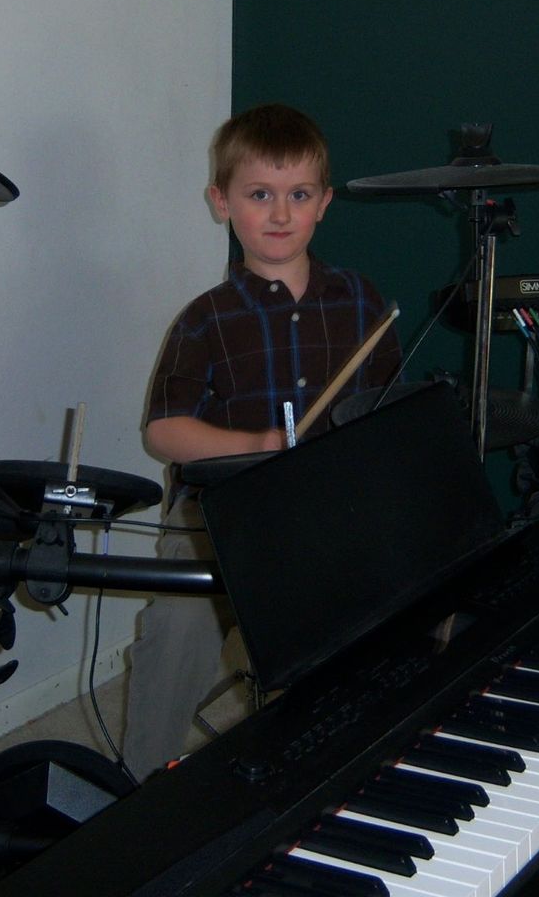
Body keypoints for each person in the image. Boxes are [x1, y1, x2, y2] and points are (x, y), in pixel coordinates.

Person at [121, 103, 402, 780]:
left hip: (325, 508)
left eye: (298, 195)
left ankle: (334, 770)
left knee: (381, 606)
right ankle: (137, 793)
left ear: (324, 203)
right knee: (178, 629)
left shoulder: (362, 303)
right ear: (222, 202)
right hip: (216, 514)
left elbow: (386, 415)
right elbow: (164, 431)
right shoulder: (205, 319)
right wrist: (256, 443)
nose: (280, 214)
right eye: (259, 195)